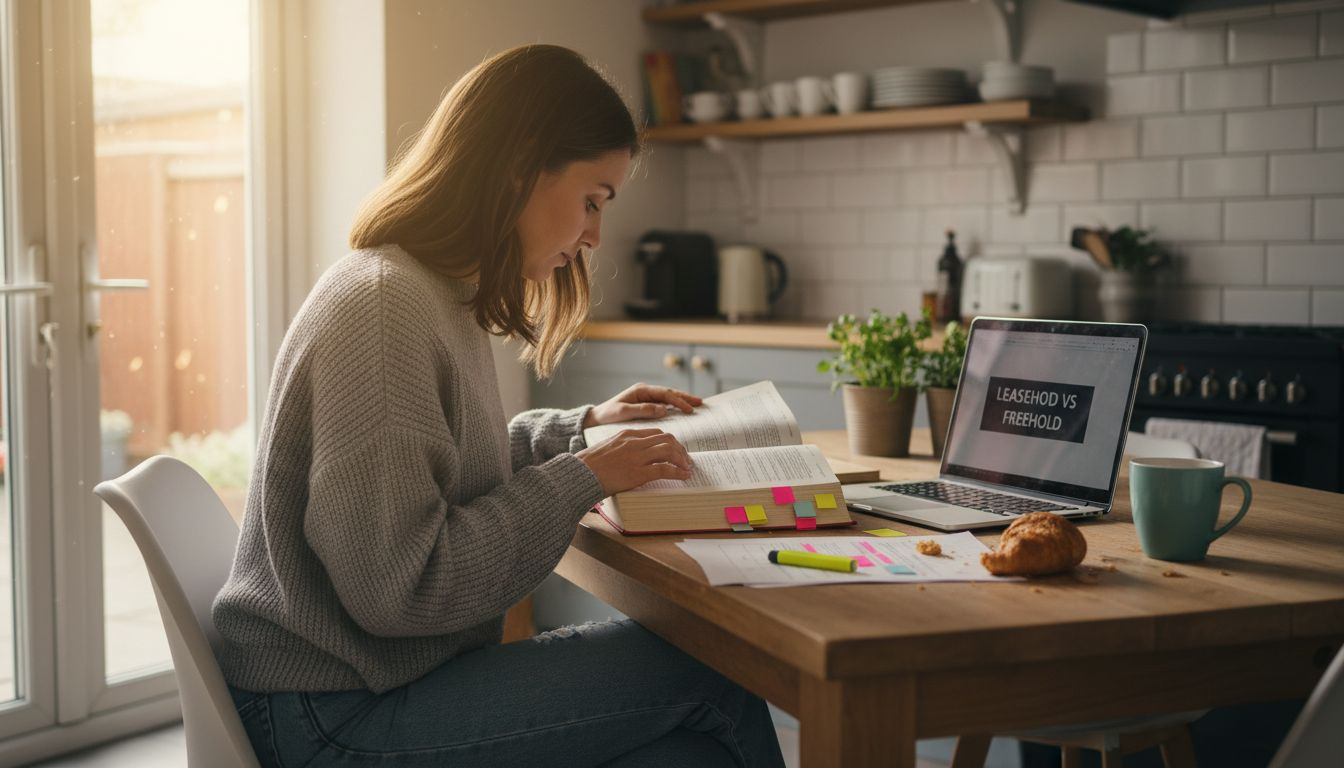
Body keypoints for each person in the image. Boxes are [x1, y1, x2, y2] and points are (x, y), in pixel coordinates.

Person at [212, 45, 786, 768]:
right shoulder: (387, 310)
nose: (593, 237)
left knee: (692, 745)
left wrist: (580, 430)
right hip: (335, 714)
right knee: (715, 680)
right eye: (592, 200)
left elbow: (445, 466)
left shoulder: (424, 291)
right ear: (520, 168)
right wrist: (584, 476)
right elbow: (401, 589)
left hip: (358, 686)